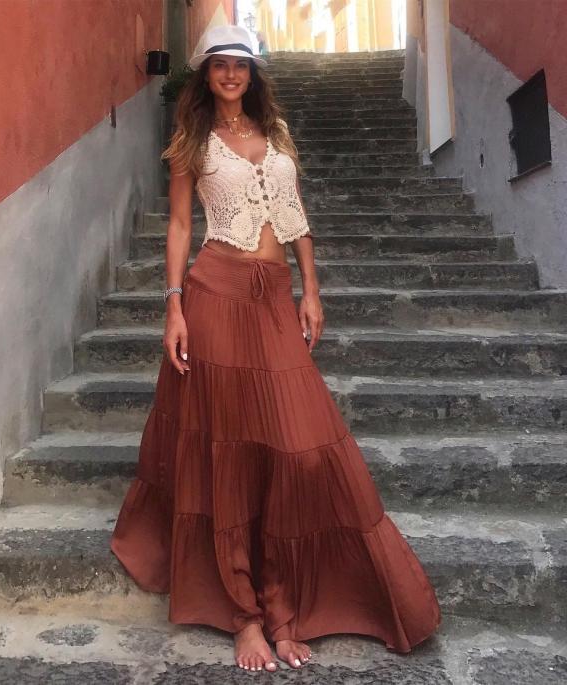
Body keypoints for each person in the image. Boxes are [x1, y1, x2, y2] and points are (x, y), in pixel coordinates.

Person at [111, 24, 441, 674]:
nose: (231, 74)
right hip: (215, 294)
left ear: (254, 73)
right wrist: (173, 304)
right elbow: (179, 224)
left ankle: (285, 604)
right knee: (231, 454)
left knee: (298, 449)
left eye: (241, 64)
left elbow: (296, 218)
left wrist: (310, 291)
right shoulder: (193, 140)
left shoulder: (277, 135)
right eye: (220, 65)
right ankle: (248, 616)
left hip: (273, 300)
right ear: (206, 74)